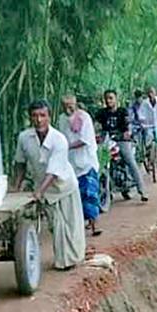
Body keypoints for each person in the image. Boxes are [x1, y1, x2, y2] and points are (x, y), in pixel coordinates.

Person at [10, 100, 85, 270]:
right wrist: (16, 186)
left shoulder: (59, 140)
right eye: (35, 116)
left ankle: (71, 259)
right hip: (43, 187)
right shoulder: (24, 138)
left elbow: (53, 172)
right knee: (55, 225)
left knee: (71, 226)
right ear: (30, 118)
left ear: (49, 117)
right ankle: (63, 259)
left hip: (63, 186)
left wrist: (38, 192)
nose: (38, 120)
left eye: (42, 115)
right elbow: (20, 163)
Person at [58, 94, 102, 237]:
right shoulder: (62, 119)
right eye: (65, 106)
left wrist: (67, 146)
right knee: (76, 196)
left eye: (70, 105)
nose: (68, 108)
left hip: (86, 162)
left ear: (75, 104)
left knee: (90, 193)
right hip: (71, 164)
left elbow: (85, 139)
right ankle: (81, 224)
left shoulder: (84, 117)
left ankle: (95, 225)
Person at [96, 89, 147, 202]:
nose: (108, 101)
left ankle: (142, 189)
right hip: (107, 141)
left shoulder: (122, 111)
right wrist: (96, 133)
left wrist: (127, 133)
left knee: (130, 160)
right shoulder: (102, 113)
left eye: (111, 98)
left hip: (122, 141)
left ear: (116, 99)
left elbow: (128, 125)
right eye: (106, 98)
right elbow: (97, 125)